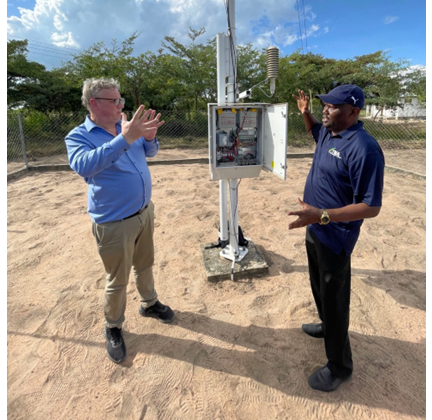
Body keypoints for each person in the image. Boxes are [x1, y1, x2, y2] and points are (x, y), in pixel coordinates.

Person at [65, 77, 175, 364]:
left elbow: (149, 153)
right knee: (117, 279)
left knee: (145, 264)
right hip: (114, 222)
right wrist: (125, 137)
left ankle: (149, 304)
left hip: (143, 212)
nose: (120, 105)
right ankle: (113, 326)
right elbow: (85, 166)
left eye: (120, 100)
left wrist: (148, 139)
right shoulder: (78, 136)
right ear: (93, 103)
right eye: (114, 100)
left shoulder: (126, 127)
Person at [288, 84, 385, 392]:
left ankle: (340, 366)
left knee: (336, 298)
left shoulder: (364, 148)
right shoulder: (330, 132)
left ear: (353, 112)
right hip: (314, 227)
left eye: (333, 106)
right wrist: (307, 114)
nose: (326, 110)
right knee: (319, 287)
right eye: (325, 104)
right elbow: (316, 131)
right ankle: (326, 326)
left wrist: (323, 215)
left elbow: (371, 206)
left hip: (335, 235)